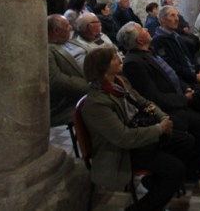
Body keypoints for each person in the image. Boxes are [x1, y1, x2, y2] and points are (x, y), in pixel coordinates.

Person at [80, 47, 188, 210]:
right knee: (176, 170)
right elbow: (123, 137)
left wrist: (161, 116)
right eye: (114, 58)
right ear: (102, 67)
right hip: (122, 151)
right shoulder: (96, 103)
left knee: (186, 140)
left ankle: (154, 181)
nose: (120, 59)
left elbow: (144, 103)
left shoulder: (120, 82)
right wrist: (159, 129)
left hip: (141, 133)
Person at [120, 22, 200, 178]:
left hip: (177, 96)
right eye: (142, 29)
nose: (146, 28)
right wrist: (184, 99)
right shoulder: (133, 63)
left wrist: (186, 88)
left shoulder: (150, 51)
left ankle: (197, 157)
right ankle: (191, 169)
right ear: (139, 40)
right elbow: (153, 97)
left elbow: (171, 75)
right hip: (165, 109)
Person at [152, 5, 200, 97]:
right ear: (163, 19)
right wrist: (194, 76)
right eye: (172, 15)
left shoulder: (176, 36)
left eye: (177, 15)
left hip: (194, 74)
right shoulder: (159, 40)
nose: (177, 19)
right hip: (185, 81)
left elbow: (190, 57)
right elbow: (172, 66)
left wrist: (199, 70)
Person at [47, 15, 87, 126]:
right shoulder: (48, 50)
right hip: (71, 100)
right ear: (56, 31)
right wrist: (89, 86)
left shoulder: (72, 41)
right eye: (67, 25)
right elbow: (56, 80)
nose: (71, 28)